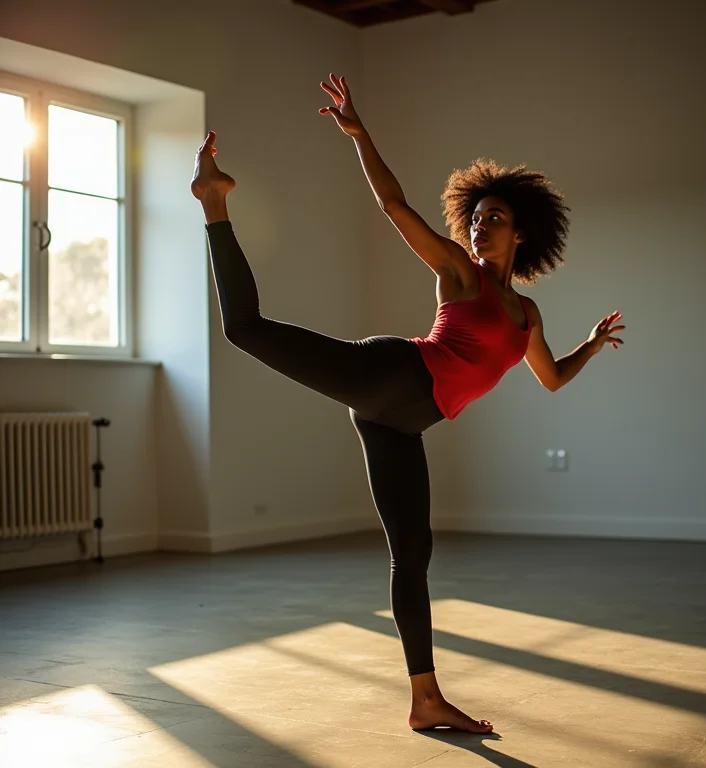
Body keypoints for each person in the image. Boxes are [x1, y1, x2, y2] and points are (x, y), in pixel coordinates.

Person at [190, 73, 625, 734]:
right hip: (392, 373)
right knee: (245, 328)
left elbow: (552, 379)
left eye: (495, 220)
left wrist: (590, 348)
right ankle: (213, 202)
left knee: (413, 555)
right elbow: (396, 207)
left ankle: (425, 700)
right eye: (475, 218)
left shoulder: (527, 315)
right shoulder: (458, 271)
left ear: (522, 235)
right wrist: (361, 135)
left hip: (404, 422)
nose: (480, 227)